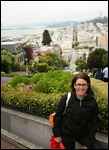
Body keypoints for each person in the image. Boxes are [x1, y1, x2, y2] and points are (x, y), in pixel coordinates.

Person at [52, 72, 104, 149]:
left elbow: (94, 123)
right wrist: (57, 134)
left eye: (84, 85)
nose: (81, 87)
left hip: (83, 135)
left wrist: (88, 142)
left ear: (88, 86)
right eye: (78, 84)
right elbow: (58, 116)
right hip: (66, 135)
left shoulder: (92, 101)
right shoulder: (66, 98)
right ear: (74, 85)